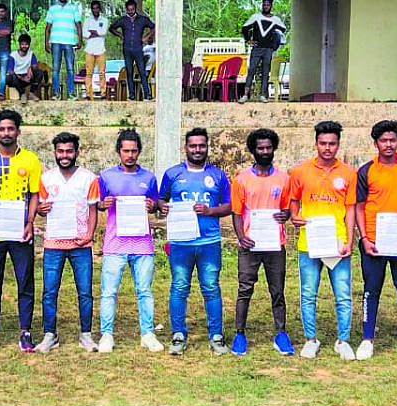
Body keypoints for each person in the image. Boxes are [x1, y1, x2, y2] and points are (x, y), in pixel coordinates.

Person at [0, 109, 42, 353]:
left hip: (21, 232)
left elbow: (34, 194)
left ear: (18, 131)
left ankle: (26, 331)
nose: (6, 133)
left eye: (10, 128)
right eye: (2, 129)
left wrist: (30, 222)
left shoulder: (31, 160)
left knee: (25, 282)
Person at [159, 128, 231, 356]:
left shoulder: (218, 175)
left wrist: (210, 211)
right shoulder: (172, 174)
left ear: (207, 147)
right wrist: (162, 207)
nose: (197, 150)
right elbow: (161, 200)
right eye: (193, 146)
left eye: (202, 146)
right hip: (181, 243)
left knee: (210, 287)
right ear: (186, 147)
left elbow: (229, 206)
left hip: (209, 242)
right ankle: (178, 334)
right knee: (180, 287)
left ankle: (216, 335)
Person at [288, 120, 357, 360]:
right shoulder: (300, 171)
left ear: (338, 144)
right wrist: (295, 217)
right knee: (308, 293)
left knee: (343, 294)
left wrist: (349, 239)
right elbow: (293, 202)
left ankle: (343, 340)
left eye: (332, 143)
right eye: (323, 143)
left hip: (337, 243)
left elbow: (350, 208)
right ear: (316, 143)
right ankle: (310, 339)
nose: (327, 148)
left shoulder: (348, 172)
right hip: (309, 242)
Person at [355, 120, 397, 361]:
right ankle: (367, 339)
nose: (388, 144)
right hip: (374, 240)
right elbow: (360, 208)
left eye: (392, 140)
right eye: (383, 140)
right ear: (376, 143)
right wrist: (364, 238)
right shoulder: (366, 170)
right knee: (371, 290)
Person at [96, 129, 162, 353]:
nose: (130, 155)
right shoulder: (105, 177)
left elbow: (154, 205)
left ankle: (148, 333)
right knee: (109, 291)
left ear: (139, 152)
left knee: (144, 290)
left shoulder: (149, 177)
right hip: (115, 243)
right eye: (126, 151)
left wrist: (152, 206)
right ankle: (106, 334)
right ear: (119, 152)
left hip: (143, 243)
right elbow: (98, 203)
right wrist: (102, 204)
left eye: (134, 151)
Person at [230, 127, 294, 357]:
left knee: (277, 290)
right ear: (253, 150)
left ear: (274, 148)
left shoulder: (284, 179)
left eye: (268, 147)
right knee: (245, 288)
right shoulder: (241, 180)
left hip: (275, 244)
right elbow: (237, 212)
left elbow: (287, 209)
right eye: (260, 148)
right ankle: (239, 334)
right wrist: (241, 237)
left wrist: (285, 215)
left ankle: (281, 333)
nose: (265, 151)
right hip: (250, 244)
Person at [36, 131, 100, 352]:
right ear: (55, 153)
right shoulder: (45, 178)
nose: (65, 155)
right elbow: (41, 209)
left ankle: (86, 334)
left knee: (84, 291)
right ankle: (49, 334)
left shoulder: (89, 178)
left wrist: (90, 235)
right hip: (54, 242)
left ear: (76, 152)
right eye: (60, 151)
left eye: (69, 151)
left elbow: (93, 210)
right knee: (50, 291)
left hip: (80, 244)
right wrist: (39, 210)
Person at [240, 0, 287, 103]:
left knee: (265, 72)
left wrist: (275, 42)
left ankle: (263, 95)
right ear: (262, 5)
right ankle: (246, 95)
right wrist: (248, 40)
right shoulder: (256, 17)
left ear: (271, 5)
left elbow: (282, 31)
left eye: (268, 4)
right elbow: (244, 28)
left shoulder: (276, 19)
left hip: (268, 49)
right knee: (252, 70)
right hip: (257, 48)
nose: (266, 6)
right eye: (264, 4)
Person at [109, 0, 155, 101]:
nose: (130, 11)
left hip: (138, 48)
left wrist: (146, 37)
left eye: (132, 9)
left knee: (142, 71)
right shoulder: (123, 20)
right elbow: (111, 28)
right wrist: (121, 35)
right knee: (129, 72)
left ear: (135, 8)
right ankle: (132, 95)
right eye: (129, 10)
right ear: (126, 9)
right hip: (127, 49)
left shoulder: (142, 19)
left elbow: (154, 27)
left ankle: (147, 95)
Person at [43, 0, 83, 99]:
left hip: (70, 42)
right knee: (56, 68)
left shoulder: (73, 8)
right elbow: (48, 27)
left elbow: (78, 25)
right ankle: (56, 94)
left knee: (70, 68)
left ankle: (71, 93)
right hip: (55, 41)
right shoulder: (52, 8)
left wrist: (80, 40)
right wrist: (46, 42)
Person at [81, 0, 109, 101]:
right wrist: (94, 33)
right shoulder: (88, 20)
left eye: (97, 8)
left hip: (101, 49)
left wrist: (92, 32)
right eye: (93, 8)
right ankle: (88, 94)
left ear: (99, 9)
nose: (95, 10)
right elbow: (84, 34)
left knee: (102, 73)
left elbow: (103, 32)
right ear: (91, 9)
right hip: (90, 49)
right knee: (89, 73)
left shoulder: (104, 20)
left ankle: (103, 93)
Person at [6, 34, 47, 102]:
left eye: (26, 44)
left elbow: (35, 66)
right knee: (9, 77)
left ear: (29, 45)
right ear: (19, 44)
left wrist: (30, 69)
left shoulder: (31, 54)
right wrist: (21, 78)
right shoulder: (13, 55)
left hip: (27, 77)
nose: (24, 46)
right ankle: (22, 94)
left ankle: (31, 93)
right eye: (22, 44)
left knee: (39, 72)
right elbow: (10, 71)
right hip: (17, 78)